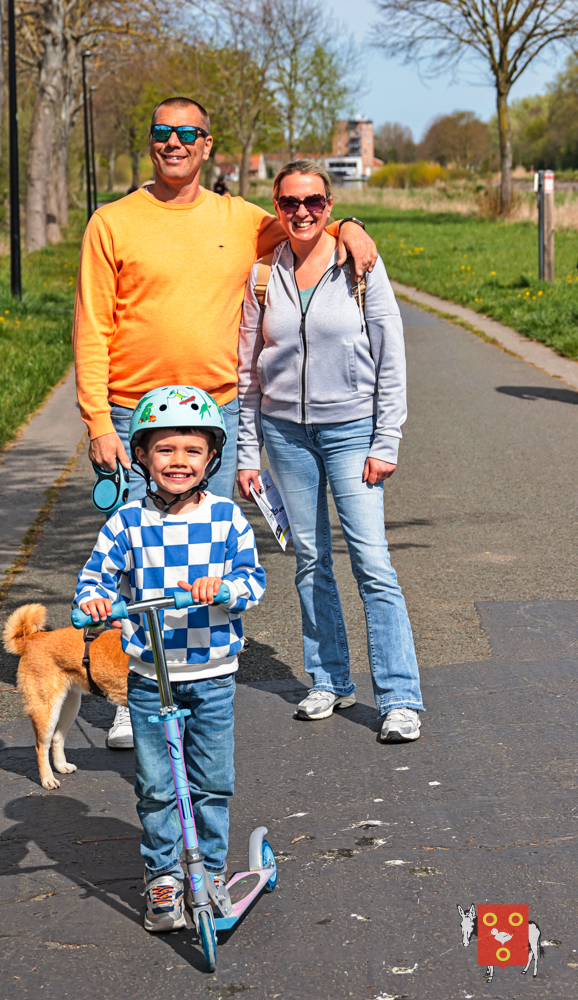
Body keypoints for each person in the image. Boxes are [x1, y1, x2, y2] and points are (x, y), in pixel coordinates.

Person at [73, 95, 377, 749]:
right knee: (132, 561)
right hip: (132, 414)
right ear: (151, 141)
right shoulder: (111, 222)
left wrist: (352, 224)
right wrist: (97, 420)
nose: (174, 142)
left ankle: (197, 686)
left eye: (188, 133)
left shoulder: (239, 219)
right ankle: (130, 694)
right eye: (162, 131)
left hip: (213, 414)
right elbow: (91, 326)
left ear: (207, 144)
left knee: (203, 561)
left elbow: (305, 225)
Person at [236, 160, 424, 742]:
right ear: (276, 205)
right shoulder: (262, 275)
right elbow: (247, 371)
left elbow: (391, 356)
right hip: (285, 434)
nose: (302, 212)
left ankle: (399, 698)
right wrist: (248, 452)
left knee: (372, 562)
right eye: (290, 202)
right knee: (311, 559)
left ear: (329, 205)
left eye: (313, 201)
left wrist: (386, 439)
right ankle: (330, 679)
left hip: (352, 431)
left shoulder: (359, 265)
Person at [74, 386, 265, 932]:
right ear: (141, 455)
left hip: (212, 675)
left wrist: (222, 588)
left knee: (211, 779)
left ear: (211, 458)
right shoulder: (126, 523)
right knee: (157, 785)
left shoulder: (226, 518)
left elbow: (252, 582)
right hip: (149, 677)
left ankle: (210, 868)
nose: (178, 461)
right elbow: (94, 580)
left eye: (191, 450)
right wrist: (94, 602)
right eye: (164, 450)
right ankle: (162, 874)